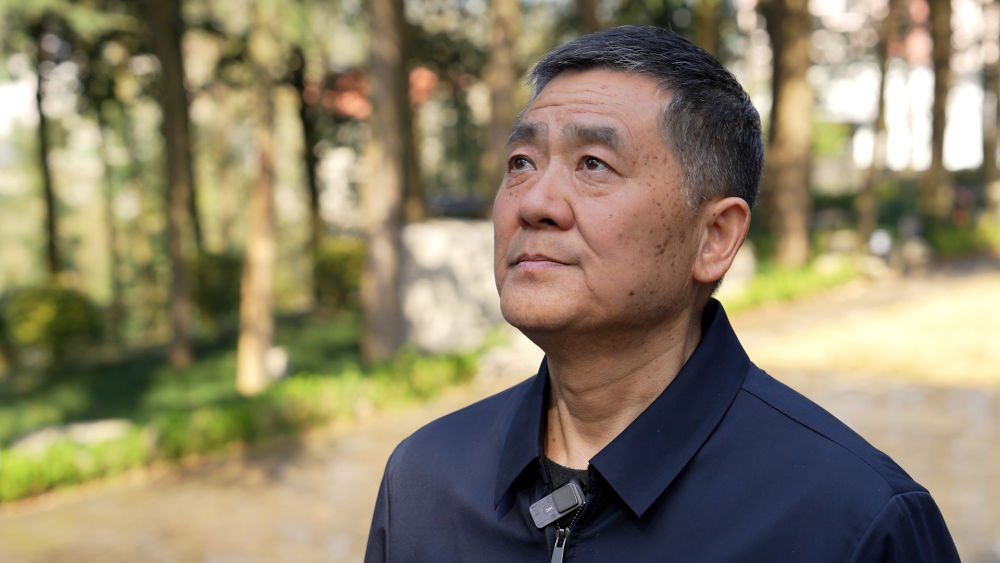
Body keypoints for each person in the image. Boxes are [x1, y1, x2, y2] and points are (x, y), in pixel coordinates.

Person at [365, 25, 959, 562]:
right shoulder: (425, 482)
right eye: (522, 162)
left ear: (715, 237)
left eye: (593, 164)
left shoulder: (852, 521)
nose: (535, 203)